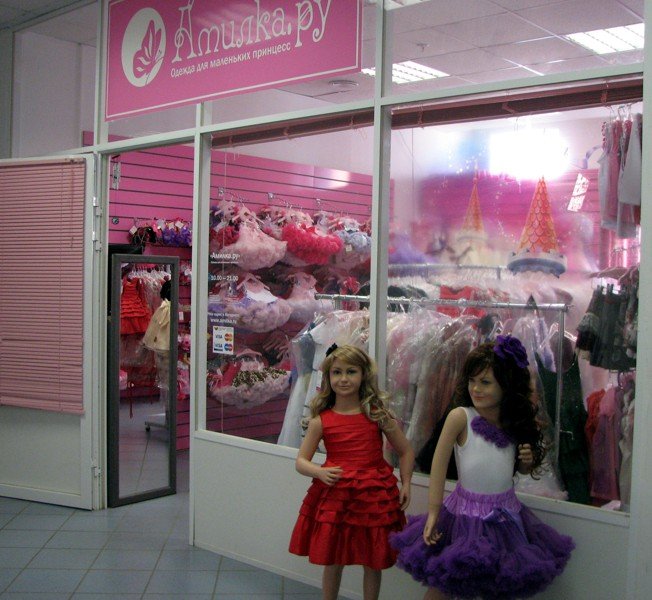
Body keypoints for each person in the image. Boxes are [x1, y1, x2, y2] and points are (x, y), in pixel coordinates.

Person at [390, 335, 575, 600]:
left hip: (505, 517)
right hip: (462, 517)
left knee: (497, 584)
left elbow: (517, 470)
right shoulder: (460, 417)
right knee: (445, 584)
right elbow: (438, 466)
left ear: (506, 384)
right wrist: (433, 513)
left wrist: (526, 461)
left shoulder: (513, 422)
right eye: (472, 381)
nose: (476, 389)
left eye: (485, 382)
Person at [289, 344, 414, 600]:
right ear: (328, 377)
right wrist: (318, 471)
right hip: (336, 497)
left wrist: (407, 483)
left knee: (373, 560)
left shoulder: (377, 415)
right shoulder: (320, 421)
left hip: (373, 496)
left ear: (363, 374)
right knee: (333, 559)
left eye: (351, 371)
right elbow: (301, 461)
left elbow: (406, 451)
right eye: (337, 372)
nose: (343, 379)